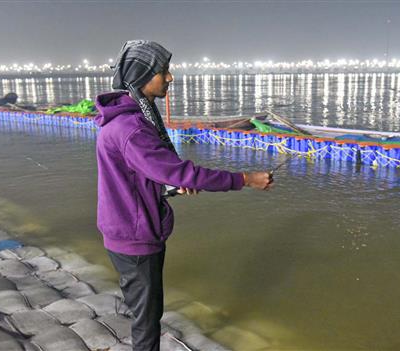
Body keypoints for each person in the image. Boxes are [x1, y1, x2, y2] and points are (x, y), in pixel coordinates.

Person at [94, 40, 272, 351]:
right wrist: (245, 179)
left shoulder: (121, 120)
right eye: (163, 71)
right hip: (135, 238)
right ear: (142, 76)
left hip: (123, 230)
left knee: (142, 311)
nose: (170, 78)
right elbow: (183, 172)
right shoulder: (132, 129)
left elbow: (139, 175)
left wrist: (167, 184)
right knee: (147, 323)